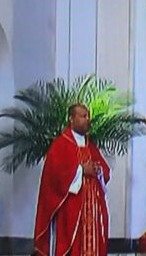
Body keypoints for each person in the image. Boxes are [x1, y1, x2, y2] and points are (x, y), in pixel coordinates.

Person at [34, 103, 110, 256]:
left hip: (92, 208)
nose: (87, 119)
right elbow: (55, 176)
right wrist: (82, 170)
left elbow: (104, 170)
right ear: (71, 119)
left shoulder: (90, 145)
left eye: (88, 116)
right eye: (83, 116)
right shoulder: (61, 144)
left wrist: (97, 170)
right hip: (72, 207)